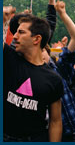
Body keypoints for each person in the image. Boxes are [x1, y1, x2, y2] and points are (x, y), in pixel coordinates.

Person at [3, 10, 64, 142]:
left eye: (21, 32)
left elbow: (55, 121)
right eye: (16, 32)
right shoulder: (9, 59)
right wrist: (3, 21)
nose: (14, 37)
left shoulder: (54, 79)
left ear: (36, 39)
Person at [42, 0, 75, 142]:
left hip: (69, 130)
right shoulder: (27, 72)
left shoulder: (59, 70)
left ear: (49, 54)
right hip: (40, 133)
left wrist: (62, 13)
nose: (40, 53)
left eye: (43, 50)